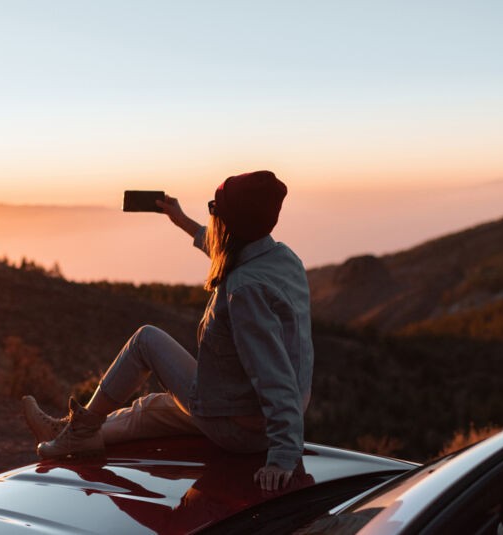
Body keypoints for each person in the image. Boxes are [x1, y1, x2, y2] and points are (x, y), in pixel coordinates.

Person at [23, 170, 313, 492]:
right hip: (238, 409)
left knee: (146, 340)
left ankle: (78, 431)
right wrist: (182, 220)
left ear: (233, 222)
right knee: (151, 410)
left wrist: (284, 455)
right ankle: (69, 432)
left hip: (239, 429)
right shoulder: (281, 258)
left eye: (215, 208)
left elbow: (274, 376)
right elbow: (228, 250)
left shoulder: (245, 290)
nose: (212, 214)